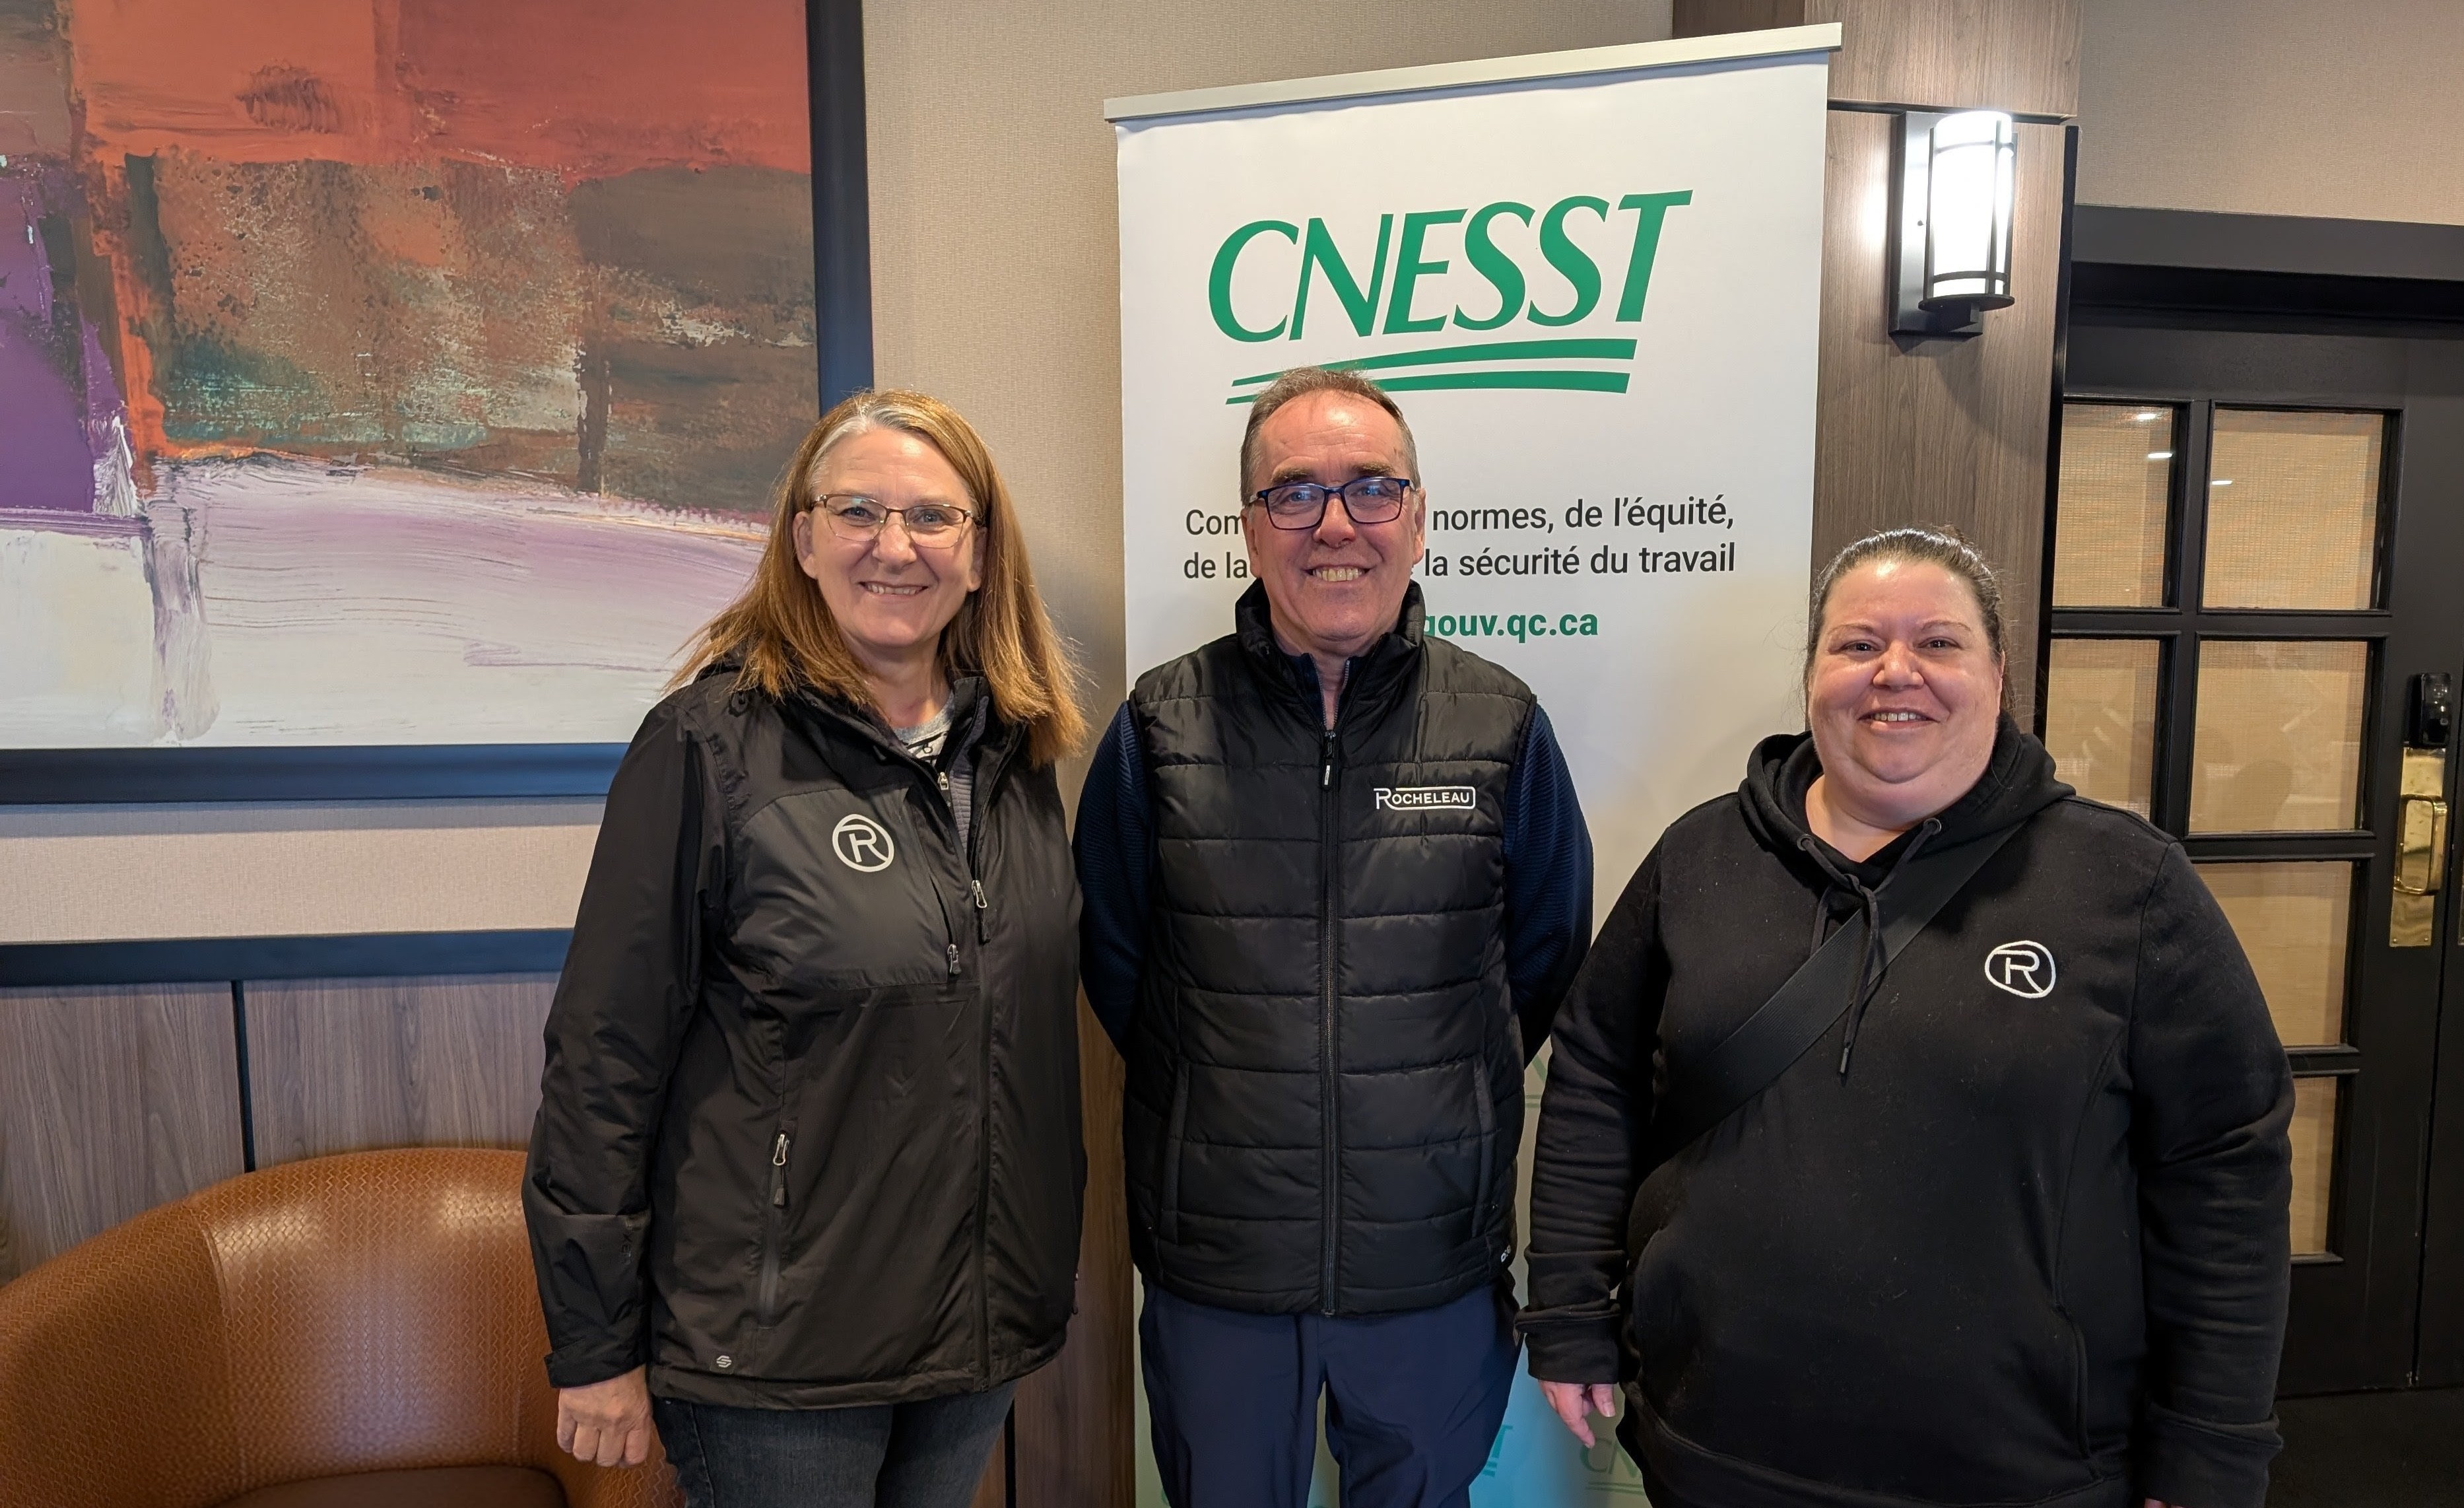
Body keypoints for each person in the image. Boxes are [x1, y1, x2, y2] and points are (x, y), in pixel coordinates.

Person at [1519, 527, 2294, 1508]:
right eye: (1858, 643)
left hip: (2019, 1473)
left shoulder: (2127, 886)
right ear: (1812, 675)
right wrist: (1570, 1310)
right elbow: (1597, 1076)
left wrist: (2213, 1444)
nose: (1895, 671)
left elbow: (2224, 1167)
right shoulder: (1700, 858)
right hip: (1714, 1448)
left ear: (1998, 675)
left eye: (1938, 643)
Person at [523, 390, 1089, 1508]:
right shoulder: (705, 749)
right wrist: (594, 1343)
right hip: (778, 1359)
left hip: (973, 1334)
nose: (895, 546)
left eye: (933, 517)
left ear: (980, 555)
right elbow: (602, 1063)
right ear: (803, 540)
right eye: (858, 511)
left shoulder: (1015, 756)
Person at [1074, 366, 1594, 1506]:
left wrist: (1435, 1103)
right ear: (1250, 528)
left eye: (1371, 488)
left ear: (1418, 517)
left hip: (1430, 1266)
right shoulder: (1158, 729)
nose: (1336, 525)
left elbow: (1544, 958)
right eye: (1296, 493)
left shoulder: (1503, 725)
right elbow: (1120, 965)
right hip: (1220, 1271)